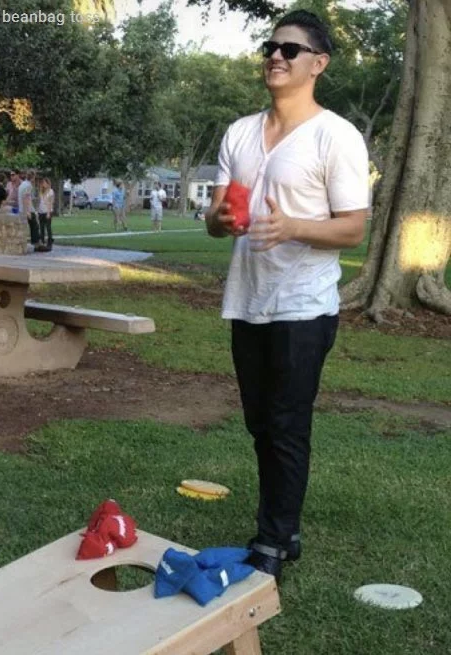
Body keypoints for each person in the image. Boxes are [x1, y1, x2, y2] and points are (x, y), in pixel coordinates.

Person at [205, 9, 369, 581]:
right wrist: (221, 219)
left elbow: (354, 227)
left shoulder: (335, 136)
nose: (276, 56)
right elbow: (217, 216)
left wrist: (293, 228)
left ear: (317, 65)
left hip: (303, 304)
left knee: (287, 421)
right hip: (247, 301)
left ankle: (273, 541)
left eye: (291, 50)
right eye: (271, 46)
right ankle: (286, 524)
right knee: (259, 422)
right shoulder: (240, 133)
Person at [18, 169, 40, 249]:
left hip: (21, 209)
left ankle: (33, 243)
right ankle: (36, 244)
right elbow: (26, 198)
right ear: (33, 177)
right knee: (35, 226)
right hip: (28, 209)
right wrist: (28, 212)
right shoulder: (28, 185)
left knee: (26, 227)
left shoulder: (22, 184)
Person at [36, 176, 55, 251]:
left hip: (47, 211)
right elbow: (39, 202)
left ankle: (50, 242)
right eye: (42, 183)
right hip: (41, 211)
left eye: (44, 183)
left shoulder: (51, 191)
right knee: (41, 227)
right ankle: (42, 241)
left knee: (48, 227)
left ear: (47, 183)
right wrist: (38, 211)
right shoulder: (41, 191)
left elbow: (50, 202)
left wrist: (48, 213)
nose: (42, 184)